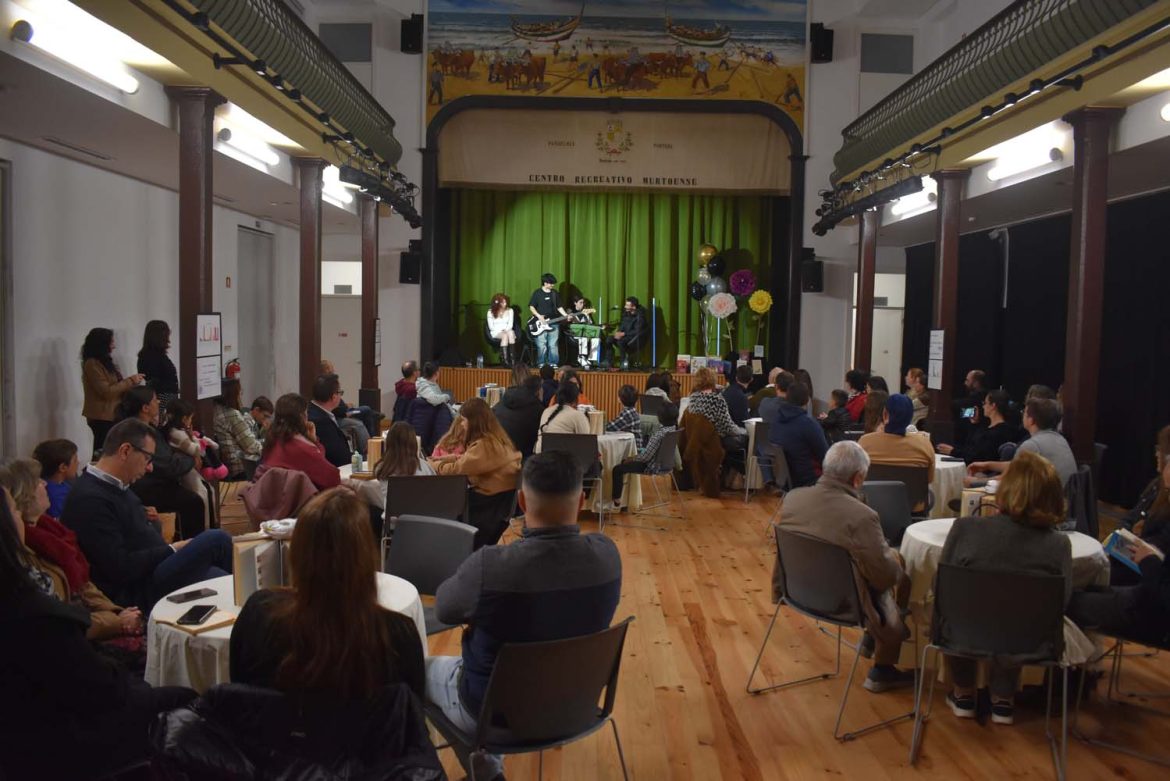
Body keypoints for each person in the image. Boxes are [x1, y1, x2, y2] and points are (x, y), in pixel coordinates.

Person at [426, 451, 622, 780]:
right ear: (581, 500)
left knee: (411, 669)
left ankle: (480, 771)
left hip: (493, 717)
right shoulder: (608, 557)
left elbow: (445, 608)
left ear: (521, 501)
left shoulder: (491, 568)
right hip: (576, 705)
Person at [0, 489, 197, 780]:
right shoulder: (34, 614)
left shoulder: (28, 593)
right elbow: (105, 691)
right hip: (71, 743)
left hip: (36, 737)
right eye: (13, 510)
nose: (19, 514)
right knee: (192, 694)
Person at [230, 488, 425, 698]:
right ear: (366, 556)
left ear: (296, 554)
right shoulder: (398, 635)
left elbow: (241, 697)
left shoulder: (259, 615)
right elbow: (411, 708)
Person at [940, 451, 1072, 724]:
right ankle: (1003, 698)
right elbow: (1062, 600)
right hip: (1031, 641)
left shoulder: (966, 528)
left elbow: (942, 588)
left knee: (960, 607)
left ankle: (963, 692)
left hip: (964, 631)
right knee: (1018, 610)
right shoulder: (1058, 545)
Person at [774, 441, 914, 694]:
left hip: (797, 591)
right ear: (858, 478)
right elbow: (884, 577)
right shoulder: (862, 516)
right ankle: (883, 667)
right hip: (843, 604)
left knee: (875, 564)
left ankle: (871, 639)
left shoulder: (793, 499)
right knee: (897, 567)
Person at [60, 418, 234, 609]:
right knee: (216, 540)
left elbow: (133, 531)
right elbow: (119, 567)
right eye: (147, 458)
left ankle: (239, 605)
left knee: (220, 576)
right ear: (125, 451)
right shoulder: (90, 498)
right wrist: (172, 549)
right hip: (137, 587)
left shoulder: (115, 487)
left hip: (154, 568)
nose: (150, 467)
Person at [0, 457, 145, 646]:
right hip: (73, 637)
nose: (45, 484)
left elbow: (84, 586)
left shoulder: (51, 531)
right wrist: (118, 621)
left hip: (91, 622)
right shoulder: (24, 550)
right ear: (25, 495)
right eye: (38, 481)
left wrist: (117, 611)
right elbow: (58, 618)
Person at [1069, 447, 1170, 647]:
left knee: (1065, 601)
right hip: (1141, 596)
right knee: (1076, 589)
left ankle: (1075, 663)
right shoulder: (1156, 488)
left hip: (1149, 614)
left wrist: (1149, 560)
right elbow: (1133, 518)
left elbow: (1163, 593)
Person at [120, 387, 211, 540]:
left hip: (149, 481)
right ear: (145, 408)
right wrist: (191, 459)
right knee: (195, 500)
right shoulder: (142, 432)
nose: (158, 401)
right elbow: (168, 466)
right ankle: (193, 545)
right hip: (148, 486)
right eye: (154, 399)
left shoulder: (137, 427)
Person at [429, 398, 521, 548]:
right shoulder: (497, 440)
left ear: (474, 422)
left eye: (464, 420)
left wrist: (432, 464)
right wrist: (446, 459)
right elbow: (469, 460)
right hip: (500, 503)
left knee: (443, 505)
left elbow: (456, 470)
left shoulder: (484, 445)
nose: (462, 424)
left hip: (487, 506)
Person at [969, 398, 1077, 486]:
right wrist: (988, 465)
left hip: (1046, 503)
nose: (1022, 415)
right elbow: (1017, 466)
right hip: (1063, 500)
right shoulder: (1060, 439)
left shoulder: (1032, 445)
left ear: (1031, 420)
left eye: (1024, 412)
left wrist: (975, 482)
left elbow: (1008, 479)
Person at [859, 394, 936, 512]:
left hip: (872, 507)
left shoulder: (865, 442)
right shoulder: (924, 444)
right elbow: (929, 479)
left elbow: (858, 476)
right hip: (913, 510)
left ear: (885, 414)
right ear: (910, 417)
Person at [161, 397, 225, 532]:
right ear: (184, 419)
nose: (191, 421)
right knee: (202, 494)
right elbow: (196, 449)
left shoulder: (176, 431)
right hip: (185, 471)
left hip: (189, 467)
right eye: (190, 418)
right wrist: (194, 438)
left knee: (208, 491)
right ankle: (205, 528)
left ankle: (211, 525)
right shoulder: (176, 434)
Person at [81, 327, 144, 459]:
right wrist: (130, 381)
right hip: (102, 417)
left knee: (112, 451)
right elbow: (106, 392)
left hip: (113, 414)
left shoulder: (105, 363)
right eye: (111, 342)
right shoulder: (92, 364)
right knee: (102, 452)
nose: (114, 346)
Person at [259, 393, 342, 491]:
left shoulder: (272, 440)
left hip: (270, 496)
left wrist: (312, 440)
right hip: (297, 498)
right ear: (302, 417)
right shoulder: (301, 448)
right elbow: (332, 478)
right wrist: (314, 442)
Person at [611, 403, 678, 504]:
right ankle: (627, 498)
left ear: (660, 418)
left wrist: (632, 458)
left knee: (618, 469)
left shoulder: (658, 435)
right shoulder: (673, 430)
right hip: (666, 465)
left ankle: (617, 500)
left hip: (651, 467)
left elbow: (645, 457)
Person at [766, 381, 829, 488]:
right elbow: (825, 456)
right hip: (808, 478)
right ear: (807, 400)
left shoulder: (776, 420)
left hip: (784, 479)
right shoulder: (809, 424)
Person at [937, 389, 1017, 464]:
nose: (983, 406)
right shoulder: (987, 428)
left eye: (985, 403)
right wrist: (974, 423)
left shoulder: (999, 432)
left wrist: (953, 451)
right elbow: (970, 447)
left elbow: (976, 457)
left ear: (993, 406)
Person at [371, 422, 435, 511]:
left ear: (388, 442)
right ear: (414, 442)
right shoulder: (424, 466)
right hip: (423, 516)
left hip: (394, 518)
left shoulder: (383, 468)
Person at [687, 366, 747, 456]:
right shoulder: (716, 400)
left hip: (696, 442)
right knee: (745, 438)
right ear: (713, 380)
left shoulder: (692, 398)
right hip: (713, 442)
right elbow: (728, 427)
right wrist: (744, 431)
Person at [213, 379, 264, 480]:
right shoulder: (232, 415)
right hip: (240, 468)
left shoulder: (214, 410)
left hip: (225, 466)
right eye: (240, 392)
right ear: (233, 394)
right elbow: (251, 446)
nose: (240, 396)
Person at [308, 374, 359, 467]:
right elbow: (339, 457)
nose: (341, 396)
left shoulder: (313, 410)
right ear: (334, 396)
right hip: (336, 469)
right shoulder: (321, 421)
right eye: (340, 392)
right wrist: (361, 459)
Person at [493, 375, 545, 460]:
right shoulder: (537, 409)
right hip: (519, 457)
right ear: (539, 391)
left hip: (495, 449)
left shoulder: (504, 399)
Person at [136, 319, 179, 416]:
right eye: (166, 335)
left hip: (167, 396)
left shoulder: (159, 355)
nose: (168, 339)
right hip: (161, 398)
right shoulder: (149, 357)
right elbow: (152, 380)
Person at [535, 382, 592, 454]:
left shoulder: (546, 411)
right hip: (562, 458)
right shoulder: (577, 415)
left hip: (540, 456)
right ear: (576, 399)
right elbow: (586, 442)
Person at [529, 272, 569, 367]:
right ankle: (541, 362)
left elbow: (559, 307)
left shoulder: (555, 293)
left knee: (553, 344)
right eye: (551, 283)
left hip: (554, 322)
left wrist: (566, 315)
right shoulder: (537, 293)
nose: (553, 285)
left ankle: (553, 362)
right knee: (541, 344)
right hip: (540, 323)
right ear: (545, 283)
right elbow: (531, 307)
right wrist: (539, 316)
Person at [32, 438, 79, 518]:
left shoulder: (62, 483)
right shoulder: (57, 497)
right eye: (75, 460)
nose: (78, 462)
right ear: (63, 467)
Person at [608, 296, 648, 367]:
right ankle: (609, 361)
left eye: (627, 305)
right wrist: (618, 333)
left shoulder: (640, 316)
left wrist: (623, 334)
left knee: (620, 342)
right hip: (624, 335)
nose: (625, 307)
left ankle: (623, 362)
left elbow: (637, 331)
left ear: (634, 307)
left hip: (634, 338)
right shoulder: (626, 314)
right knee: (609, 339)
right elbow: (622, 325)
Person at [566, 295, 600, 368]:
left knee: (596, 339)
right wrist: (571, 317)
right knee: (583, 338)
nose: (582, 304)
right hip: (574, 334)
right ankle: (581, 357)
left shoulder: (585, 312)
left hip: (585, 333)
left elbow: (590, 324)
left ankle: (591, 359)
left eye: (583, 302)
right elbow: (570, 323)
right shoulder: (570, 311)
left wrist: (587, 316)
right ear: (575, 303)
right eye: (580, 302)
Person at [487, 292, 517, 366]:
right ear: (497, 303)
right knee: (505, 335)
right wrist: (502, 330)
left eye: (505, 302)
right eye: (503, 302)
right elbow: (491, 327)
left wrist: (505, 330)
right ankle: (505, 361)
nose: (505, 304)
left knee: (510, 333)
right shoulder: (490, 312)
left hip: (507, 330)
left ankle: (513, 361)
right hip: (496, 332)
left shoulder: (510, 310)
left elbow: (510, 324)